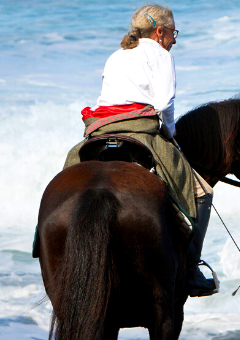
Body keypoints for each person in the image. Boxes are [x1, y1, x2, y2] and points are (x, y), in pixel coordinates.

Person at [61, 4, 217, 297]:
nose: (174, 40)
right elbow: (165, 105)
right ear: (160, 32)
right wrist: (170, 135)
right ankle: (191, 271)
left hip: (101, 128)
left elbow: (105, 97)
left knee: (69, 173)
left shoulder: (116, 56)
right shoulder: (161, 55)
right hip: (141, 132)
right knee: (202, 192)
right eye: (173, 33)